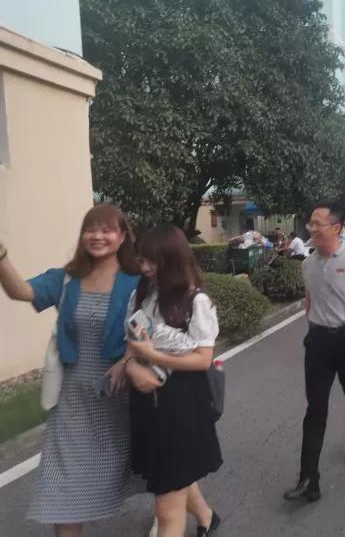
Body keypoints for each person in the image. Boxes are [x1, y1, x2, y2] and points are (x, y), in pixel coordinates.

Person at [0, 205, 143, 537]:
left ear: (122, 237)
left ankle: (197, 511)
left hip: (123, 394)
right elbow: (21, 291)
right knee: (62, 482)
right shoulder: (66, 278)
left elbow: (156, 327)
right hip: (74, 397)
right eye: (91, 229)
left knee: (156, 467)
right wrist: (2, 256)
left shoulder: (138, 281)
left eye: (107, 230)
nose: (97, 236)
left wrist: (127, 360)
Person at [125, 224, 222, 537]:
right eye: (141, 260)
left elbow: (203, 359)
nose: (145, 267)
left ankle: (202, 518)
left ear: (173, 258)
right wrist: (131, 365)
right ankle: (206, 516)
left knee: (166, 507)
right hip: (147, 403)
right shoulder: (141, 294)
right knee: (173, 474)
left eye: (153, 260)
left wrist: (152, 356)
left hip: (182, 406)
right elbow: (132, 341)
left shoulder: (195, 301)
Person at [284, 202, 345, 503]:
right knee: (315, 408)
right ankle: (309, 478)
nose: (311, 228)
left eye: (318, 223)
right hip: (319, 341)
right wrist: (313, 330)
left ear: (337, 227)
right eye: (310, 223)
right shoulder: (307, 263)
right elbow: (310, 300)